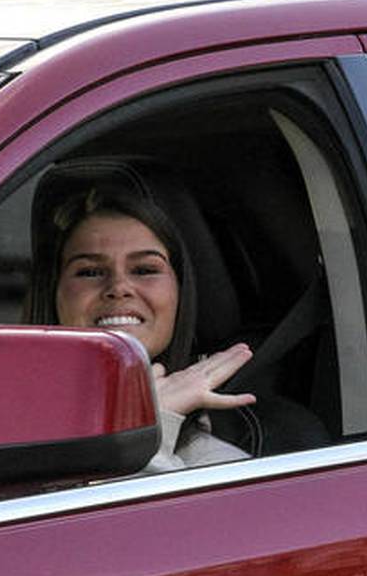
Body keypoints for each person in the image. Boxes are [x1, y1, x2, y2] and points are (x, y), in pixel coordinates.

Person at [24, 182, 256, 473]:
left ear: (179, 295)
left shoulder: (219, 468)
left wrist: (148, 429)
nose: (119, 288)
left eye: (145, 270)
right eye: (90, 272)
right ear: (52, 292)